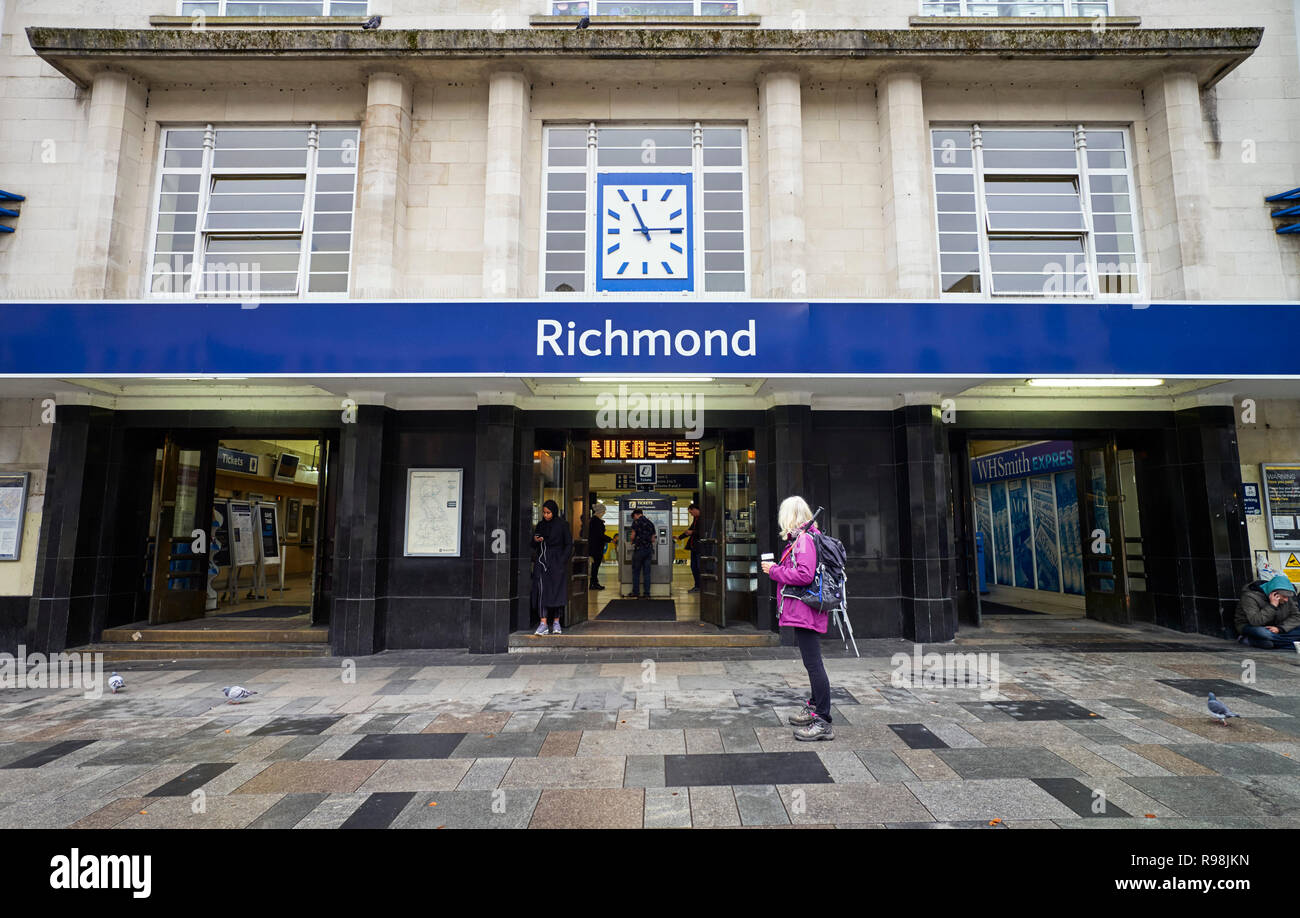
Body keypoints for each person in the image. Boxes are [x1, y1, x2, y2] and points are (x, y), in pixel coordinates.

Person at [762, 495, 834, 741]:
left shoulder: (804, 540)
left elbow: (803, 575)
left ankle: (823, 720)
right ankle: (815, 707)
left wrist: (774, 570)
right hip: (806, 609)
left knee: (814, 664)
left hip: (805, 609)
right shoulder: (806, 537)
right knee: (811, 662)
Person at [531, 499, 572, 635]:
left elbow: (568, 544)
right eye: (544, 513)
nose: (546, 515)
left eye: (548, 512)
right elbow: (533, 543)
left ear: (554, 512)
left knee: (557, 591)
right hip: (542, 561)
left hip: (557, 561)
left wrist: (562, 560)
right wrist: (536, 540)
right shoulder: (541, 525)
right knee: (542, 591)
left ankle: (556, 622)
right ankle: (543, 623)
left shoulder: (562, 525)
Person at [1236, 574, 1300, 649]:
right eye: (1284, 597)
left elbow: (1297, 617)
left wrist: (1280, 628)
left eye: (1288, 597)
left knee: (1269, 640)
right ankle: (1248, 639)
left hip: (1278, 627)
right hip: (1253, 627)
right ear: (1275, 594)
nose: (1287, 600)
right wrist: (1272, 606)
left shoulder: (1287, 596)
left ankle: (1269, 643)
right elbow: (1255, 621)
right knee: (1263, 633)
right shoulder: (1250, 597)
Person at [629, 508, 656, 599]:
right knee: (647, 573)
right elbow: (653, 539)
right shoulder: (650, 523)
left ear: (636, 515)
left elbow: (632, 536)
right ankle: (647, 593)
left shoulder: (636, 522)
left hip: (639, 550)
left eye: (634, 517)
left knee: (636, 572)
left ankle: (636, 592)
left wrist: (632, 541)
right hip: (648, 550)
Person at [677, 502, 701, 593]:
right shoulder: (696, 519)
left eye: (691, 512)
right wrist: (679, 537)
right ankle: (697, 586)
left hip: (700, 548)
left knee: (699, 567)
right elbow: (690, 530)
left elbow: (702, 531)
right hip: (694, 548)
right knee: (694, 567)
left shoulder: (703, 519)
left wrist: (692, 532)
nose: (691, 514)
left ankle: (700, 586)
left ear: (695, 509)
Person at [589, 503, 612, 590]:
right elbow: (599, 535)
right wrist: (610, 539)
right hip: (596, 547)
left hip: (595, 547)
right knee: (595, 566)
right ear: (599, 511)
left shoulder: (594, 520)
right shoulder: (596, 521)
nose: (604, 513)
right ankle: (593, 583)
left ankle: (594, 583)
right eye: (603, 511)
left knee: (595, 566)